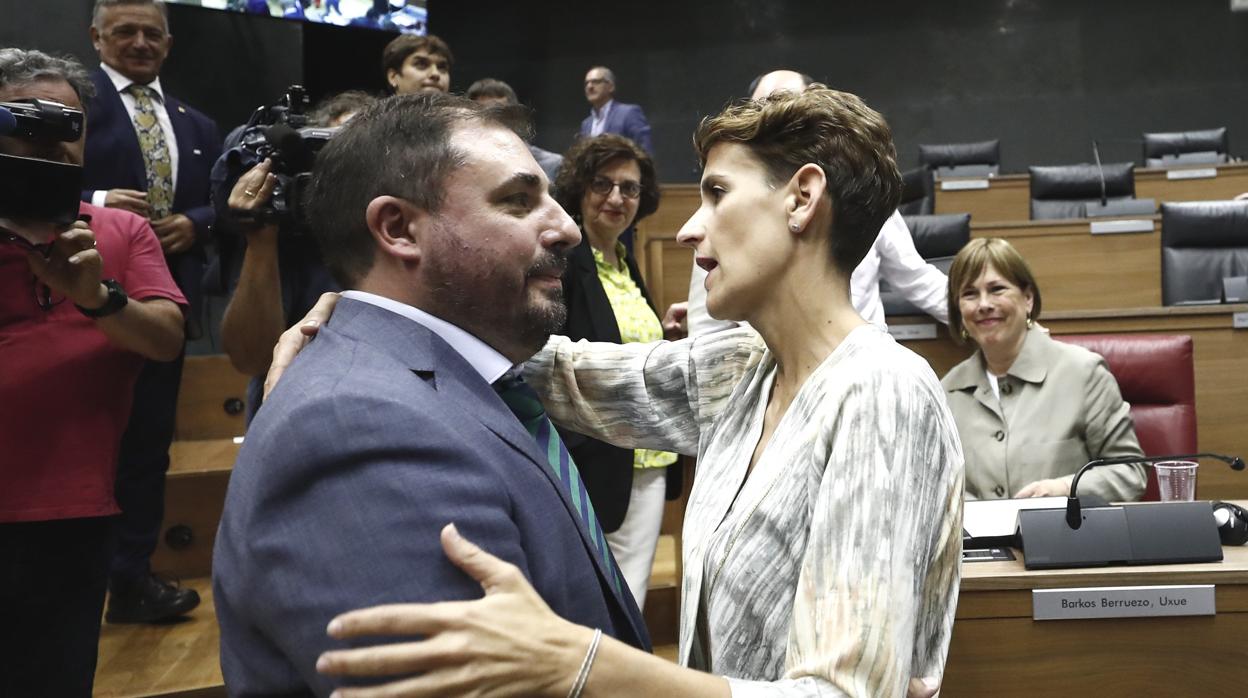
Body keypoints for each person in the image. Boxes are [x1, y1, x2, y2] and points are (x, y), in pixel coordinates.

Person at [280, 87, 962, 697]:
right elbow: (569, 375)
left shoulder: (882, 394)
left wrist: (584, 665)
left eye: (717, 193)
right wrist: (372, 309)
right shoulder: (747, 367)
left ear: (802, 199)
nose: (691, 227)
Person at [212, 94, 651, 695]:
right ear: (398, 229)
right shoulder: (360, 428)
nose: (569, 228)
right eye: (519, 201)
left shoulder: (457, 373)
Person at [0, 48, 186, 696]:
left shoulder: (121, 231)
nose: (48, 140)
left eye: (67, 125)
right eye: (27, 119)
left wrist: (97, 296)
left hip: (69, 514)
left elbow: (166, 340)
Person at [82, 0, 222, 624]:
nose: (139, 42)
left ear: (168, 43)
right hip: (75, 303)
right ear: (95, 38)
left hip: (167, 307)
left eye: (151, 33)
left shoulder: (198, 124)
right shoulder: (71, 109)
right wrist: (99, 200)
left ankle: (130, 577)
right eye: (124, 31)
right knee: (86, 444)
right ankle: (74, 581)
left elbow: (224, 201)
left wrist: (195, 224)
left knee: (147, 448)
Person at [687, 68, 948, 336]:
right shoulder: (721, 223)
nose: (768, 121)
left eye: (782, 107)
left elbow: (916, 279)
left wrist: (980, 312)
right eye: (757, 110)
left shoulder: (859, 196)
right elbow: (705, 332)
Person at [552, 134, 680, 609]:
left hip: (645, 459)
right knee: (598, 600)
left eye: (629, 189)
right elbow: (548, 357)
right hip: (594, 460)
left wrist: (661, 334)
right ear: (579, 190)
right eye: (602, 185)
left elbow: (619, 343)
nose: (616, 199)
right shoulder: (566, 262)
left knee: (630, 595)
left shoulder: (624, 263)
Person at [942, 238, 1146, 501]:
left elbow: (1130, 472)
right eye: (970, 294)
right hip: (980, 542)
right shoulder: (946, 391)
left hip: (1066, 538)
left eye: (997, 289)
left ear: (1028, 298)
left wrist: (1065, 489)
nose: (983, 304)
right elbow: (937, 483)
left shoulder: (1083, 374)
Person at [217, 90, 374, 421]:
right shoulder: (286, 228)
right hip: (294, 418)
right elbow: (251, 359)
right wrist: (261, 238)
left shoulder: (413, 232)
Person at [467, 77, 564, 182]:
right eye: (483, 115)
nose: (492, 121)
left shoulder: (553, 164)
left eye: (498, 113)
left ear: (514, 117)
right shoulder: (465, 166)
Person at [579, 66, 653, 154]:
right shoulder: (586, 124)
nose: (589, 86)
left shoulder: (628, 113)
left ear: (611, 87)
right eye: (586, 83)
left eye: (596, 82)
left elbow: (644, 150)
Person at [382, 33, 452, 95]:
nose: (435, 74)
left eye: (442, 67)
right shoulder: (373, 110)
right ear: (393, 77)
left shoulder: (460, 109)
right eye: (421, 64)